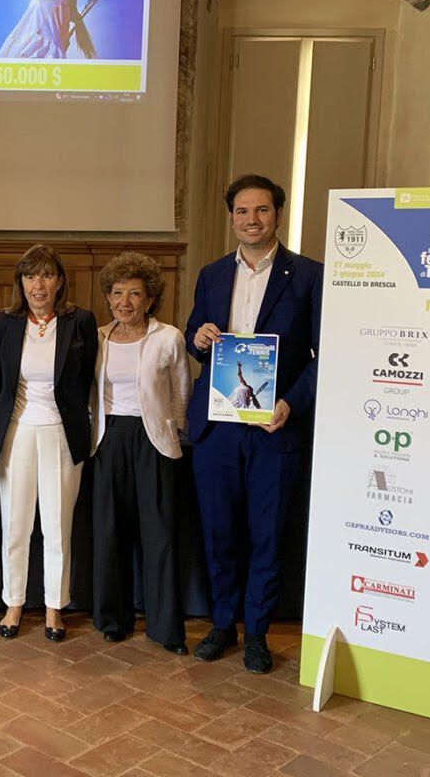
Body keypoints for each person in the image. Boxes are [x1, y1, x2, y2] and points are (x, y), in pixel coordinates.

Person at [185, 174, 322, 674]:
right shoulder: (212, 274)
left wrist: (290, 403)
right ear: (232, 218)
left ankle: (257, 632)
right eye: (242, 211)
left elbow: (322, 355)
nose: (251, 219)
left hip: (273, 428)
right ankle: (223, 622)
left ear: (278, 216)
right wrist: (197, 338)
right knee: (219, 531)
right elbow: (192, 340)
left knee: (266, 534)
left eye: (261, 210)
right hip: (217, 428)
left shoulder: (307, 276)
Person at [0, 245, 96, 642]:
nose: (39, 284)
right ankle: (14, 601)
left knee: (57, 526)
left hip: (61, 434)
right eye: (31, 276)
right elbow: (0, 382)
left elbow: (86, 380)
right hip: (16, 433)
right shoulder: (4, 322)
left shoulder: (80, 321)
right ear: (21, 282)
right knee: (15, 526)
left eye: (47, 275)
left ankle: (54, 606)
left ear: (60, 282)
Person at [88, 252, 192, 654]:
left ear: (150, 298)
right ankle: (113, 619)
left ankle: (166, 628)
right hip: (108, 438)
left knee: (159, 534)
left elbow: (181, 392)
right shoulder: (97, 336)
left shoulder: (168, 337)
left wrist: (174, 431)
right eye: (117, 293)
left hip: (155, 441)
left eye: (134, 293)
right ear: (108, 297)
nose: (124, 302)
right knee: (110, 532)